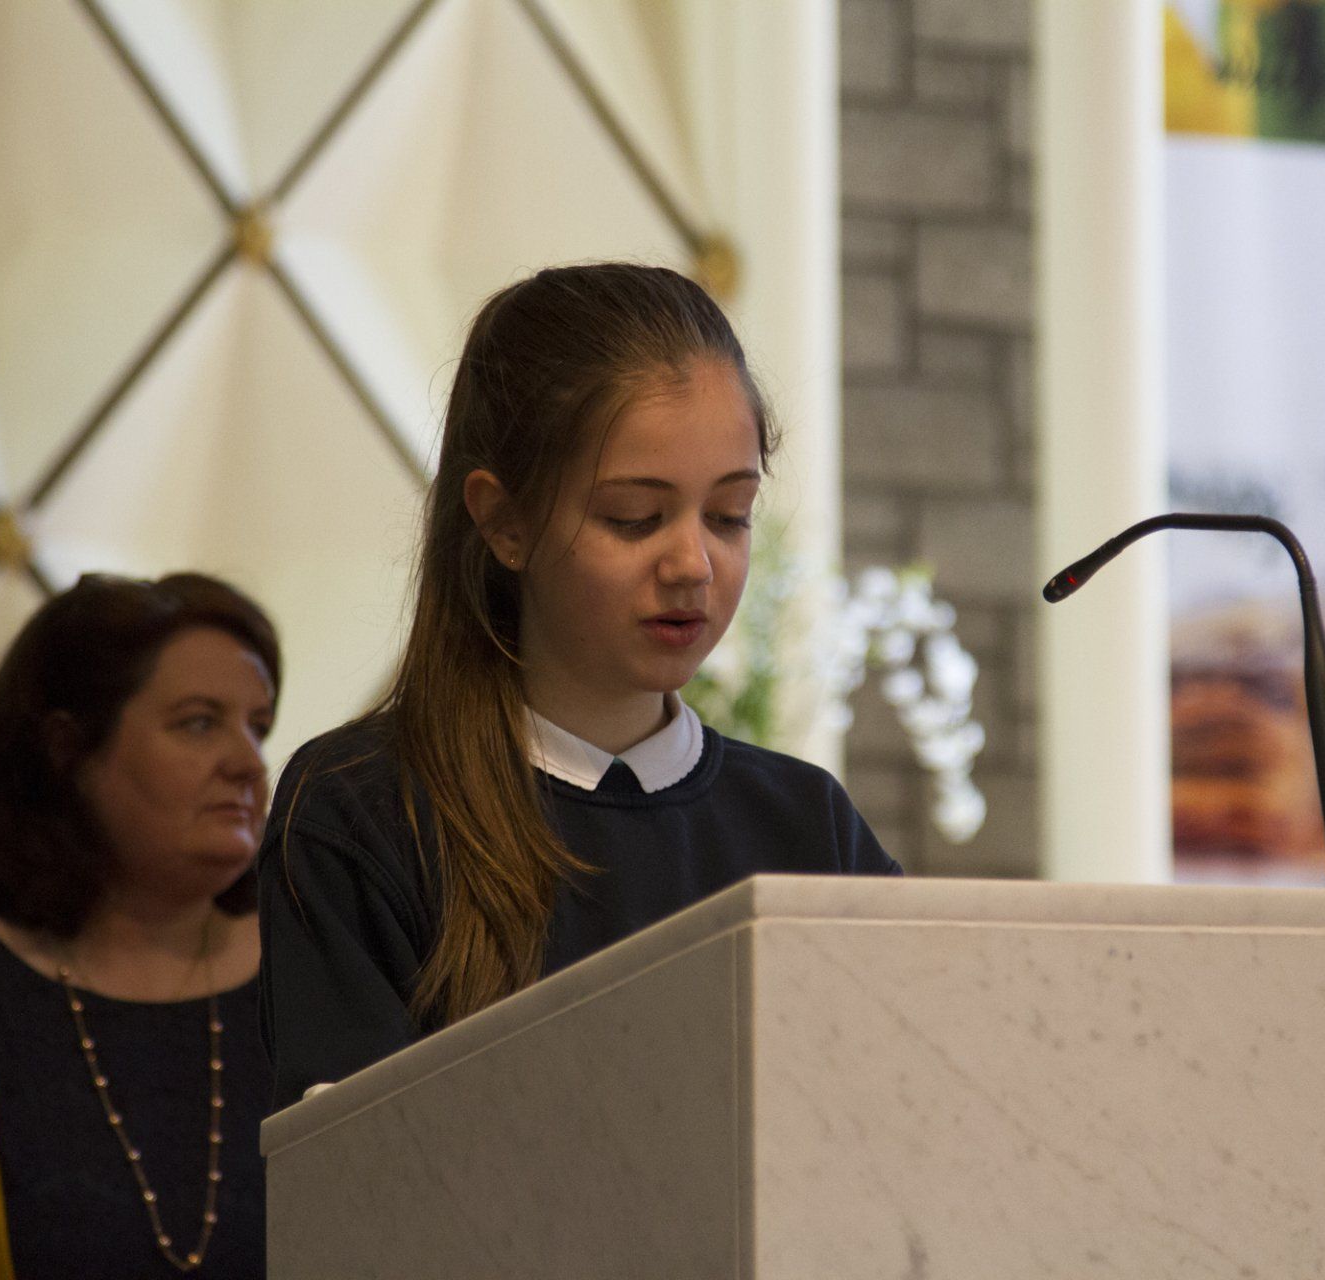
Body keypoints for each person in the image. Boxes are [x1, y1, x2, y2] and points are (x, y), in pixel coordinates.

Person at [259, 263, 901, 1109]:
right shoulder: (363, 813)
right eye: (633, 518)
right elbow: (358, 1193)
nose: (692, 565)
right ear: (504, 522)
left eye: (729, 516)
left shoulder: (807, 828)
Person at [0, 573, 281, 1279]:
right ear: (67, 748)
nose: (248, 762)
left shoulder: (314, 963)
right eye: (199, 723)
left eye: (257, 726)